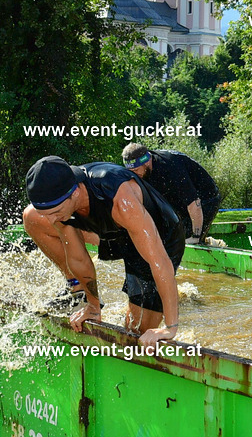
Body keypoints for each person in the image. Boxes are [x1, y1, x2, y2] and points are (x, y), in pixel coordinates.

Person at [23, 156, 184, 346]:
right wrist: (93, 305)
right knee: (31, 216)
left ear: (74, 193)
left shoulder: (119, 197)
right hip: (111, 232)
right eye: (47, 213)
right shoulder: (60, 197)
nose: (51, 220)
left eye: (55, 213)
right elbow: (78, 259)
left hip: (160, 236)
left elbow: (160, 261)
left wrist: (170, 327)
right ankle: (76, 288)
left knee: (136, 332)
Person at [121, 144, 221, 245]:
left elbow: (194, 203)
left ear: (146, 162)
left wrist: (195, 237)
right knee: (168, 236)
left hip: (207, 197)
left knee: (187, 240)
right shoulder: (143, 171)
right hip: (177, 197)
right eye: (131, 171)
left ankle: (207, 242)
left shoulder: (171, 167)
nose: (134, 174)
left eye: (136, 170)